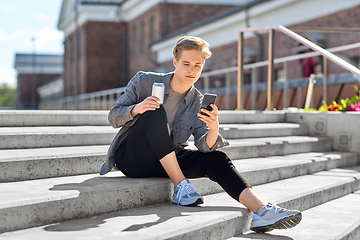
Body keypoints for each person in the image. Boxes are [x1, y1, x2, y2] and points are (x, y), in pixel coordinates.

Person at [100, 36, 302, 233]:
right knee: (155, 111)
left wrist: (214, 128)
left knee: (217, 159)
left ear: (203, 67)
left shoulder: (198, 101)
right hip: (132, 158)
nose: (191, 70)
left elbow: (204, 145)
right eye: (186, 63)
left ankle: (261, 210)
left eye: (197, 65)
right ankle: (180, 186)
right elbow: (113, 118)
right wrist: (139, 108)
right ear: (175, 62)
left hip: (167, 160)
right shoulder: (145, 81)